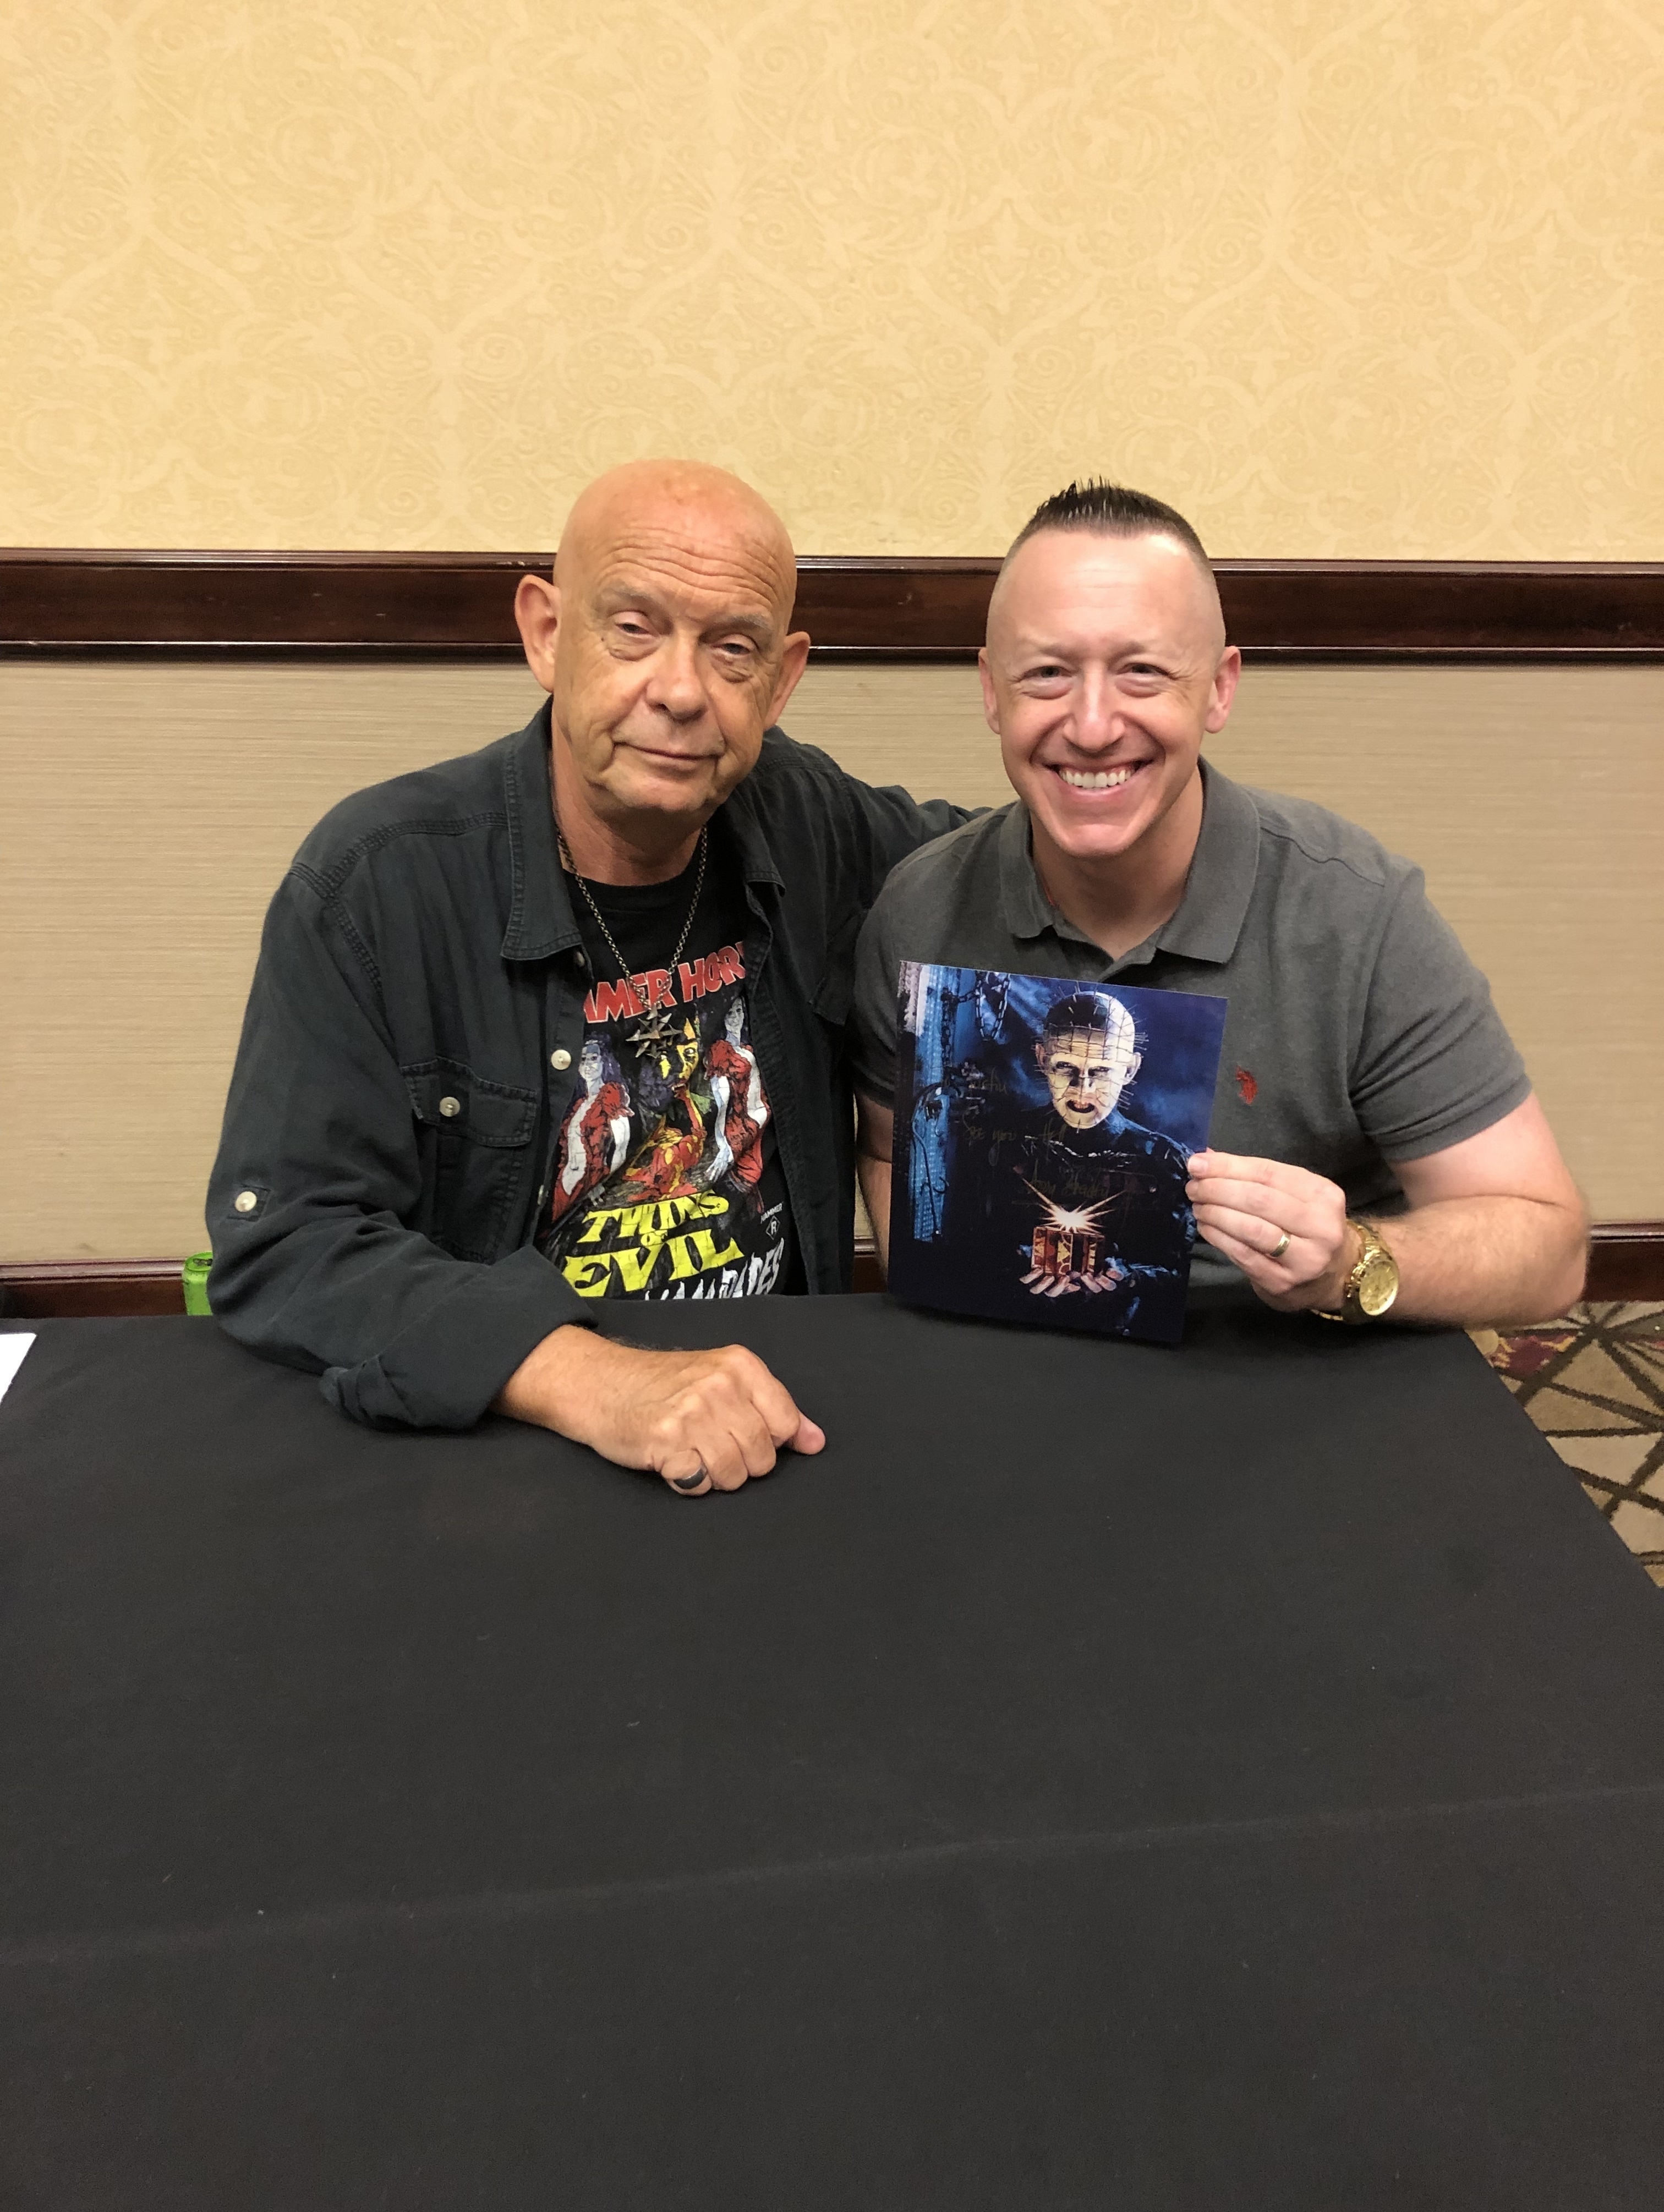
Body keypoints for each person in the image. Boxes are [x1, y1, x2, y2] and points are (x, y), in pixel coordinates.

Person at [207, 459, 968, 1494]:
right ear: (545, 633)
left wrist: (1131, 760)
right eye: (634, 629)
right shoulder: (378, 882)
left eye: (732, 649)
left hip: (783, 1430)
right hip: (503, 1459)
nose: (682, 691)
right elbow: (289, 1240)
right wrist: (594, 1380)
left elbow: (1014, 872)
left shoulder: (808, 819)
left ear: (781, 680)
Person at [851, 480, 1588, 1329]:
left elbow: (1550, 1248)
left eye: (1143, 672)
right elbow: (891, 1150)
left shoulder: (1357, 916)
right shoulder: (919, 909)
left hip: (1293, 1356)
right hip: (1019, 1348)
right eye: (1047, 673)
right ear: (992, 691)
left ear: (1219, 689)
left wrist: (1350, 1263)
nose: (1092, 725)